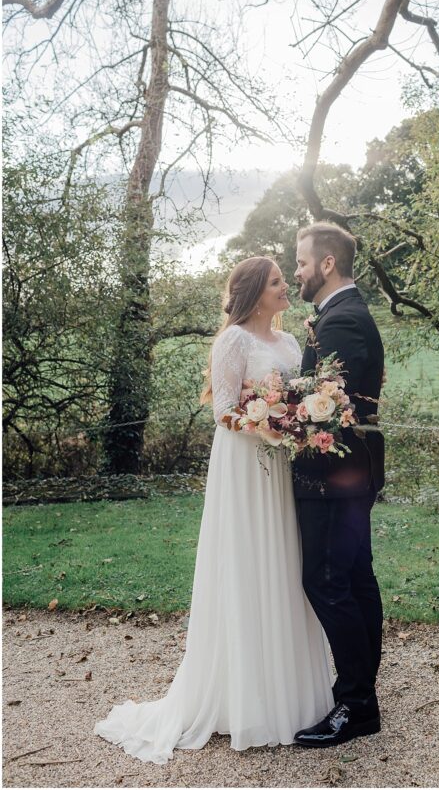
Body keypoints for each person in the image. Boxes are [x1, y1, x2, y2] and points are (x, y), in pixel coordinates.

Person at [95, 258, 333, 764]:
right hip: (246, 465)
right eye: (275, 283)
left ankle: (289, 692)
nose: (285, 286)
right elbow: (223, 410)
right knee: (249, 564)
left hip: (281, 469)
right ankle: (242, 698)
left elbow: (300, 398)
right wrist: (264, 423)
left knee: (285, 566)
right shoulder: (233, 342)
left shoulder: (292, 344)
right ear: (253, 293)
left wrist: (297, 422)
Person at [290, 222, 386, 748]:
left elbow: (326, 408)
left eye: (302, 262)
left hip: (334, 474)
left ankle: (356, 704)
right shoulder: (342, 315)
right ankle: (361, 691)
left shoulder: (342, 321)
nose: (296, 272)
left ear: (327, 264)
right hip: (349, 474)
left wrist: (275, 411)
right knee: (353, 578)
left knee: (327, 581)